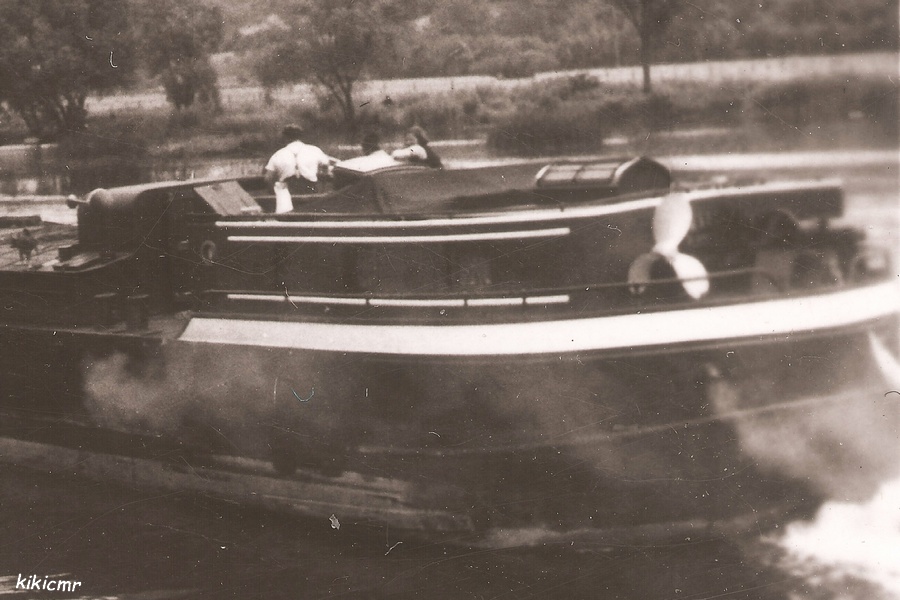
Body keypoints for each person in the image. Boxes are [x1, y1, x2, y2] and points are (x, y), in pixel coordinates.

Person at [264, 125, 337, 213]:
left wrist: (273, 194)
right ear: (300, 136)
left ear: (285, 137)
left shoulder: (278, 154)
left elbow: (268, 178)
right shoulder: (314, 150)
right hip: (310, 189)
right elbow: (326, 164)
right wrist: (323, 184)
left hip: (287, 192)